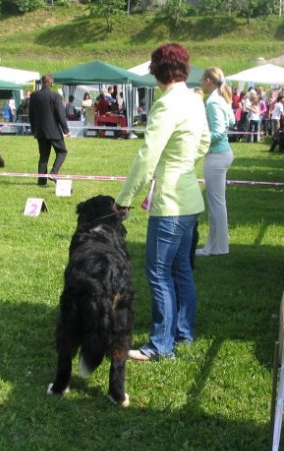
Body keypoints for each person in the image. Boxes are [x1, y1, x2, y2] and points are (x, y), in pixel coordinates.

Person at [113, 43, 210, 361]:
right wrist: (184, 164)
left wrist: (125, 198)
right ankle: (183, 334)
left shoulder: (167, 104)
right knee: (181, 270)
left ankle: (160, 346)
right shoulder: (195, 99)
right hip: (191, 199)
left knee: (158, 273)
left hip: (170, 202)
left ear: (156, 71)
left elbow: (147, 156)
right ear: (184, 69)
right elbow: (205, 141)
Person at [196, 67, 235, 257]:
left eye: (202, 80)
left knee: (216, 205)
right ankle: (214, 246)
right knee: (217, 204)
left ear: (208, 81)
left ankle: (218, 247)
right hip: (221, 155)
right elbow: (232, 121)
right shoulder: (221, 99)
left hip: (217, 156)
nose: (200, 83)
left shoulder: (212, 102)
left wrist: (200, 138)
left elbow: (218, 132)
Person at [28, 73, 70, 186]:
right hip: (54, 132)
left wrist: (34, 130)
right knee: (62, 151)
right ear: (51, 83)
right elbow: (60, 115)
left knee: (43, 156)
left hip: (40, 132)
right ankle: (54, 172)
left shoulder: (34, 96)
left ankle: (41, 181)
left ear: (42, 82)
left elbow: (30, 115)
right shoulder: (55, 96)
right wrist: (66, 130)